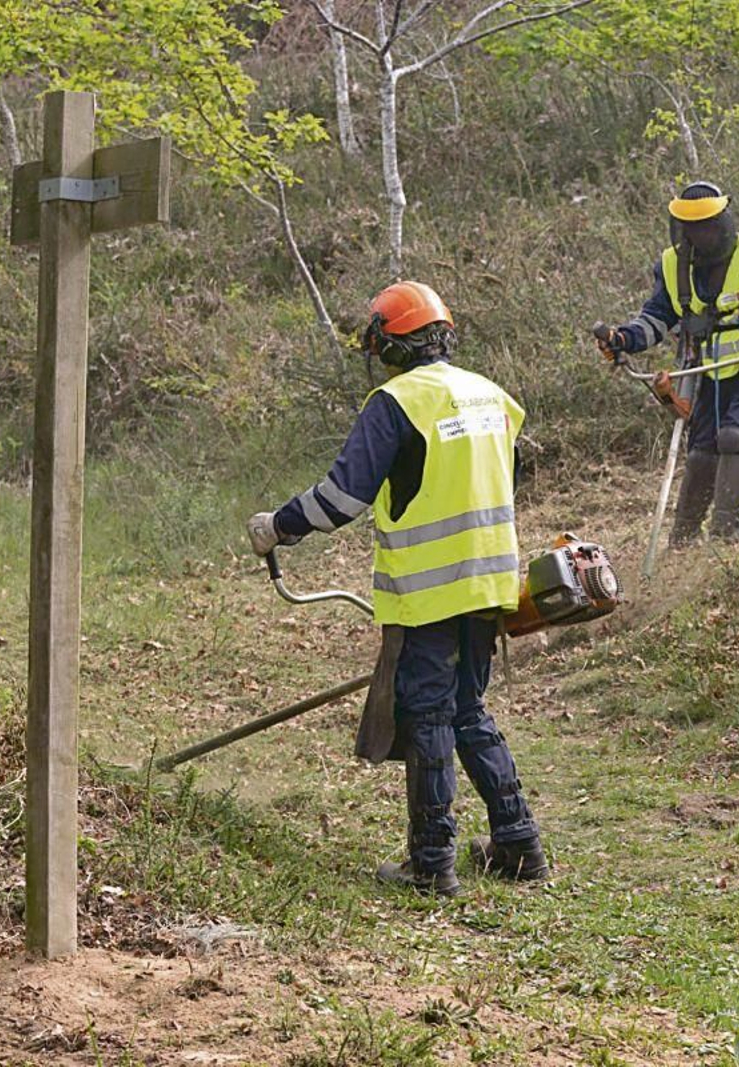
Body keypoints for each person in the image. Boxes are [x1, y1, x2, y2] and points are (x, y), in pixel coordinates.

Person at [245, 281, 548, 896]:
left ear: (390, 346)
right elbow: (508, 475)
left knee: (430, 714)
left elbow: (342, 498)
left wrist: (276, 527)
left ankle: (432, 863)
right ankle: (519, 846)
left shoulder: (396, 403)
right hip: (490, 582)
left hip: (430, 590)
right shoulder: (492, 396)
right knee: (469, 710)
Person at [595, 181, 739, 545]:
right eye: (692, 227)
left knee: (734, 437)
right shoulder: (673, 264)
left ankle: (727, 530)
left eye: (707, 225)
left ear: (722, 221)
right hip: (708, 372)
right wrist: (624, 338)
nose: (700, 234)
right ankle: (684, 538)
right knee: (702, 449)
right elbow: (657, 317)